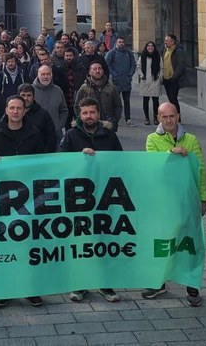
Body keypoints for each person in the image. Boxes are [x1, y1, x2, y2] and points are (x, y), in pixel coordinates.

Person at [0, 94, 46, 308]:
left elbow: (44, 160)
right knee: (4, 245)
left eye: (19, 108)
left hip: (28, 198)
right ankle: (4, 289)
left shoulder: (34, 133)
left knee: (28, 245)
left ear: (25, 111)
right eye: (12, 108)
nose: (15, 111)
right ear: (6, 110)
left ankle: (30, 289)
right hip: (3, 199)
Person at [142, 102, 206, 307]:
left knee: (190, 242)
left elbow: (200, 170)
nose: (169, 120)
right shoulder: (152, 139)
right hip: (163, 201)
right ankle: (159, 282)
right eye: (164, 117)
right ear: (158, 118)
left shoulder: (191, 140)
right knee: (163, 242)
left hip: (187, 201)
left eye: (172, 116)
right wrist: (171, 153)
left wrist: (203, 198)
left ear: (178, 116)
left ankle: (192, 284)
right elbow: (153, 166)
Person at [60, 96, 123, 304]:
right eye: (85, 113)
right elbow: (61, 160)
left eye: (92, 112)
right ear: (79, 114)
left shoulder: (109, 135)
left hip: (105, 195)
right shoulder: (71, 135)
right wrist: (79, 156)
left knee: (104, 240)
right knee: (81, 241)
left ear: (98, 114)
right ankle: (80, 284)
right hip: (80, 198)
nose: (89, 116)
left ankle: (105, 284)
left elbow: (121, 160)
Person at [74, 61, 121, 131]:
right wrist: (83, 118)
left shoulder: (111, 88)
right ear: (90, 72)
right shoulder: (84, 88)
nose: (97, 71)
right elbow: (77, 106)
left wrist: (114, 120)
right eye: (94, 69)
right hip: (90, 125)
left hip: (108, 125)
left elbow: (118, 105)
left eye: (99, 68)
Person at [105, 37, 137, 127]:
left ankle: (128, 119)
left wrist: (130, 74)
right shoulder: (111, 53)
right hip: (116, 81)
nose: (121, 43)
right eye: (120, 42)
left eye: (123, 42)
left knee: (127, 101)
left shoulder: (129, 53)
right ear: (116, 43)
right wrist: (114, 74)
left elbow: (133, 64)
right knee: (115, 102)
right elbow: (107, 64)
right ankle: (113, 119)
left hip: (126, 81)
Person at [32, 65, 68, 134]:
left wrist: (59, 125)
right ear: (38, 76)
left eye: (48, 74)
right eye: (43, 74)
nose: (46, 77)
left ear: (51, 75)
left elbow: (64, 110)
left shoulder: (58, 90)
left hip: (55, 132)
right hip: (35, 133)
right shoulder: (31, 91)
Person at [136, 41, 162, 125]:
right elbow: (138, 67)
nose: (150, 47)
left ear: (154, 48)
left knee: (155, 101)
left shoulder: (158, 57)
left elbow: (162, 68)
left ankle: (155, 117)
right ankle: (146, 118)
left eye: (152, 46)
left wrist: (160, 77)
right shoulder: (142, 57)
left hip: (155, 81)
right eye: (148, 46)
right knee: (145, 100)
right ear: (146, 47)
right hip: (145, 81)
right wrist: (141, 75)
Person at [161, 34, 187, 117]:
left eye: (167, 40)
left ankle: (177, 116)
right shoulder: (165, 50)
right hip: (166, 78)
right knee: (170, 98)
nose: (165, 42)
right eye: (165, 40)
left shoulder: (179, 51)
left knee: (173, 98)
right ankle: (174, 115)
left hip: (174, 79)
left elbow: (181, 65)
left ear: (172, 42)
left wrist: (175, 77)